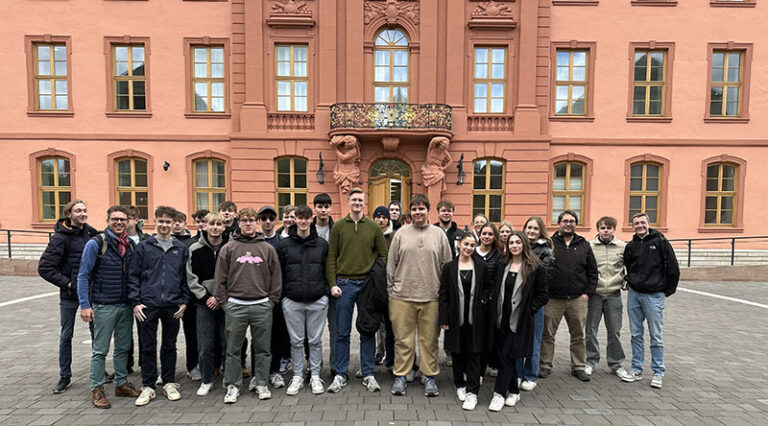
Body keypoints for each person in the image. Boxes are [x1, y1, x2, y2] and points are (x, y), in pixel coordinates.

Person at [214, 207, 282, 404]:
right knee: (233, 349)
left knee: (263, 348)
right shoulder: (229, 248)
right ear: (239, 223)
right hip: (235, 305)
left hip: (262, 305)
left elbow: (276, 278)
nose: (248, 224)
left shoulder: (267, 248)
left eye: (252, 220)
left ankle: (261, 382)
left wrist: (271, 301)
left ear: (257, 222)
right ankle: (233, 385)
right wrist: (225, 303)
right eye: (244, 220)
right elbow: (220, 279)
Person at [388, 194, 453, 397]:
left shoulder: (439, 234)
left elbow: (447, 265)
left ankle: (429, 376)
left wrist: (443, 295)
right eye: (414, 209)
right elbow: (391, 264)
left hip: (431, 296)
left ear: (428, 210)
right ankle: (401, 375)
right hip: (402, 296)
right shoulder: (400, 234)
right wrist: (392, 289)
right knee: (403, 339)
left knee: (429, 340)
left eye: (421, 208)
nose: (418, 212)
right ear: (411, 212)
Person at [76, 206, 141, 409]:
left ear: (129, 222)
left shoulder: (129, 244)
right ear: (108, 220)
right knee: (100, 350)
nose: (119, 222)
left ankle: (121, 383)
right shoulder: (96, 243)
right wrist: (85, 305)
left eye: (122, 219)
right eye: (115, 219)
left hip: (124, 305)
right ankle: (97, 388)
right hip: (103, 305)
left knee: (123, 347)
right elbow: (83, 275)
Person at [326, 188, 388, 394]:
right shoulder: (338, 227)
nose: (357, 203)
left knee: (367, 330)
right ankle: (341, 374)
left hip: (366, 286)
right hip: (343, 285)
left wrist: (375, 277)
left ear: (364, 203)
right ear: (348, 201)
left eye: (361, 200)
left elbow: (383, 255)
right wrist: (333, 283)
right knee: (342, 332)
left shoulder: (373, 227)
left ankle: (368, 373)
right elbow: (331, 257)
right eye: (354, 199)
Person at [128, 206, 190, 406]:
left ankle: (169, 382)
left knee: (169, 345)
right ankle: (148, 385)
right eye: (161, 221)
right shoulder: (144, 247)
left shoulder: (180, 248)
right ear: (155, 222)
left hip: (172, 305)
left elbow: (185, 278)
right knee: (147, 346)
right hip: (148, 305)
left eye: (168, 222)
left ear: (174, 224)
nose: (164, 225)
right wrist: (136, 302)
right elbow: (133, 275)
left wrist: (184, 301)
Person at [38, 199, 99, 394]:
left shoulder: (91, 233)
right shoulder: (60, 238)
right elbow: (45, 267)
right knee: (66, 335)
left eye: (84, 210)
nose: (82, 213)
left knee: (96, 334)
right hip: (70, 296)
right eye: (78, 211)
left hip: (90, 294)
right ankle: (65, 375)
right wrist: (68, 283)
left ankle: (98, 371)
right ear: (69, 214)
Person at [487, 231, 548, 412]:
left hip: (519, 320)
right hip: (501, 318)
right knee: (505, 356)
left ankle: (499, 394)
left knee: (508, 355)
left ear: (524, 245)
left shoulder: (535, 267)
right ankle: (514, 391)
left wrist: (529, 309)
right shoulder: (502, 264)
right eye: (511, 243)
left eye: (517, 242)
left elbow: (543, 295)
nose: (514, 245)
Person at [539, 210, 597, 382]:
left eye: (572, 221)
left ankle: (578, 366)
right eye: (565, 221)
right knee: (547, 333)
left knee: (579, 334)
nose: (568, 224)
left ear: (575, 224)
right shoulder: (550, 243)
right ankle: (545, 364)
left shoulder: (584, 244)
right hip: (553, 298)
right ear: (559, 223)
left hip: (577, 298)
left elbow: (592, 271)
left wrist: (587, 293)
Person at [623, 212, 680, 389]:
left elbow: (673, 269)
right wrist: (630, 282)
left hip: (654, 295)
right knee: (635, 334)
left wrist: (665, 291)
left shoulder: (660, 242)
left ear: (648, 223)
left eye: (642, 222)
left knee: (656, 335)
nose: (640, 226)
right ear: (633, 226)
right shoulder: (631, 245)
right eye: (636, 223)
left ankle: (658, 371)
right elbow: (629, 266)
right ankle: (636, 369)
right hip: (635, 295)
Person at [277, 205, 329, 396]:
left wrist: (325, 292)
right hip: (292, 300)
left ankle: (315, 375)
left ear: (311, 219)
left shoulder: (322, 244)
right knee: (296, 341)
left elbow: (327, 269)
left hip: (317, 299)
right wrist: (284, 294)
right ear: (295, 219)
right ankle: (297, 376)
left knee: (315, 341)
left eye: (307, 218)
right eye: (300, 217)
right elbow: (279, 272)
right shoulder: (284, 245)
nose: (304, 221)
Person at [439, 231, 492, 411]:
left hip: (476, 320)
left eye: (472, 245)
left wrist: (484, 299)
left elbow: (488, 288)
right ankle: (460, 384)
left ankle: (472, 392)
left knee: (474, 354)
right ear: (459, 245)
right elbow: (443, 294)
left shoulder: (481, 267)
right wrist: (443, 318)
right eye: (466, 244)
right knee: (457, 353)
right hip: (455, 319)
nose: (468, 248)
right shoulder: (449, 268)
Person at [586, 216, 634, 381]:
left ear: (614, 229)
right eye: (602, 227)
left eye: (609, 227)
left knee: (614, 330)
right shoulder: (589, 246)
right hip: (594, 294)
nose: (605, 230)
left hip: (613, 294)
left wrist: (628, 280)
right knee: (590, 330)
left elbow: (630, 266)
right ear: (598, 229)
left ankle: (616, 364)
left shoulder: (622, 247)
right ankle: (590, 361)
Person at [186, 212, 229, 396]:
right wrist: (206, 297)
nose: (215, 227)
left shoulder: (230, 247)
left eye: (219, 224)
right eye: (211, 224)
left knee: (228, 342)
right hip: (204, 304)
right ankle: (207, 379)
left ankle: (229, 378)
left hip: (226, 302)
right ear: (205, 225)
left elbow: (234, 276)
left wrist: (220, 297)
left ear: (224, 227)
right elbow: (191, 278)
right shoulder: (194, 248)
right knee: (205, 345)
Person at [516, 216, 553, 391]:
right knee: (516, 339)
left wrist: (533, 304)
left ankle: (530, 375)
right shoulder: (518, 247)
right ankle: (516, 373)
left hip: (534, 304)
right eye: (528, 227)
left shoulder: (546, 252)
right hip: (517, 303)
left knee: (534, 340)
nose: (531, 231)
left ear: (540, 231)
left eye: (535, 229)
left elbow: (543, 282)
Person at [171, 209, 199, 382]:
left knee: (192, 334)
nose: (176, 224)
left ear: (185, 223)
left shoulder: (190, 243)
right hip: (169, 297)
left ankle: (192, 366)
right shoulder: (163, 242)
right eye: (173, 221)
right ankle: (167, 370)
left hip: (187, 296)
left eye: (179, 221)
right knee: (169, 337)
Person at [473, 222, 503, 377]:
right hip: (472, 302)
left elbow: (497, 281)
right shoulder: (471, 252)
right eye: (484, 233)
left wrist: (488, 297)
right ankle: (473, 368)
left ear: (494, 237)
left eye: (490, 234)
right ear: (479, 235)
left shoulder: (499, 257)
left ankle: (490, 365)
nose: (486, 237)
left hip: (490, 303)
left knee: (490, 336)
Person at [312, 193, 336, 373]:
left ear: (330, 208)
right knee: (314, 333)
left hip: (334, 285)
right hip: (314, 285)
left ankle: (335, 365)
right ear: (315, 208)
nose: (323, 210)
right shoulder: (308, 228)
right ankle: (315, 367)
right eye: (320, 206)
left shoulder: (337, 229)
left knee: (335, 329)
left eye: (326, 206)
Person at [372, 206, 395, 368]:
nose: (381, 220)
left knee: (390, 324)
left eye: (384, 217)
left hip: (390, 285)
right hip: (373, 284)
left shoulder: (394, 236)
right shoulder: (370, 234)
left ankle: (390, 357)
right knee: (374, 324)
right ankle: (378, 352)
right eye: (378, 217)